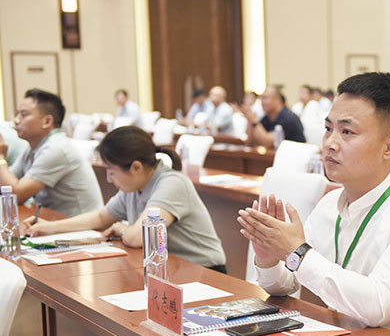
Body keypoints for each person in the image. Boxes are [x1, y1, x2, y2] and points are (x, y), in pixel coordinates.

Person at [237, 72, 390, 336]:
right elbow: (288, 283)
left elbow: (377, 305)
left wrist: (297, 252)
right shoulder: (330, 204)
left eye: (347, 132)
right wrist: (270, 257)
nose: (330, 143)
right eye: (328, 128)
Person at [23, 126, 227, 273]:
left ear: (136, 167)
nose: (108, 179)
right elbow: (101, 217)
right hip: (169, 268)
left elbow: (140, 237)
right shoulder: (134, 186)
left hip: (204, 271)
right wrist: (50, 227)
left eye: (111, 172)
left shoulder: (172, 183)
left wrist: (121, 228)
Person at [0, 89, 103, 217]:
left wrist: (1, 158)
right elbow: (5, 187)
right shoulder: (33, 147)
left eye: (24, 115)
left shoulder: (56, 149)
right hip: (51, 220)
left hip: (81, 225)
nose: (16, 120)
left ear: (47, 121)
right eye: (17, 114)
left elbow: (16, 195)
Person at [241, 85, 306, 147]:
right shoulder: (266, 118)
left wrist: (254, 121)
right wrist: (250, 120)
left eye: (265, 98)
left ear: (277, 99)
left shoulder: (288, 118)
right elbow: (250, 143)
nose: (262, 102)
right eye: (261, 99)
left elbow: (268, 142)